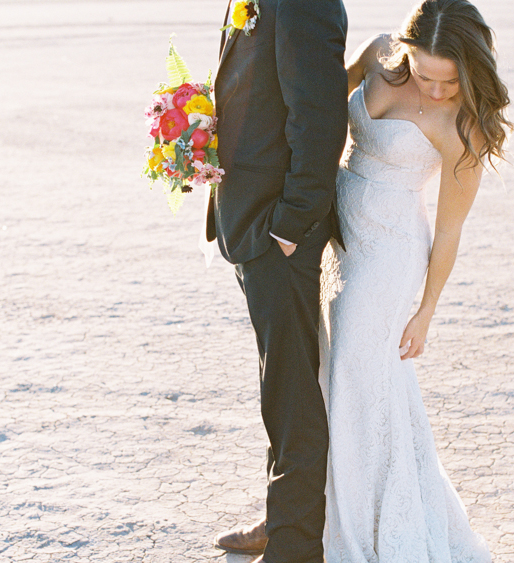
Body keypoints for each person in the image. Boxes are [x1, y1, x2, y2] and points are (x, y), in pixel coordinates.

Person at [319, 0, 513, 561]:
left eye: (448, 82)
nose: (433, 91)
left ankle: (362, 530)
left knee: (359, 378)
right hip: (337, 235)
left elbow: (449, 230)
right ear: (402, 51)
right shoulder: (378, 53)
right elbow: (323, 102)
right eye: (424, 74)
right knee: (342, 374)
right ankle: (318, 508)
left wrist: (425, 310)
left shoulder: (466, 126)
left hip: (389, 254)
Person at [207, 1, 349, 562]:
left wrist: (288, 226)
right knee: (281, 383)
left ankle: (294, 547)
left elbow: (318, 118)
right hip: (250, 221)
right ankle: (283, 512)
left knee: (291, 394)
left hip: (278, 231)